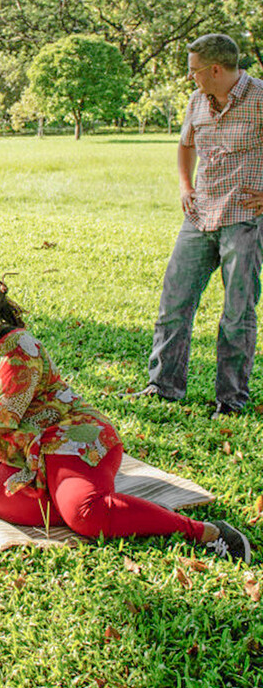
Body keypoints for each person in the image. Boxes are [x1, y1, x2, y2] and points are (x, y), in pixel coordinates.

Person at [0, 275, 252, 563]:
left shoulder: (20, 348)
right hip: (29, 453)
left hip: (72, 439)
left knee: (84, 515)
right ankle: (107, 506)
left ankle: (206, 531)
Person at [140, 34, 263, 418]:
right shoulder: (197, 100)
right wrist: (184, 184)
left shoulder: (260, 98)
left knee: (237, 312)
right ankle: (163, 387)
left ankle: (230, 400)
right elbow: (185, 144)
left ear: (215, 69)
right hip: (200, 215)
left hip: (244, 218)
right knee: (173, 303)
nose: (190, 77)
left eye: (194, 70)